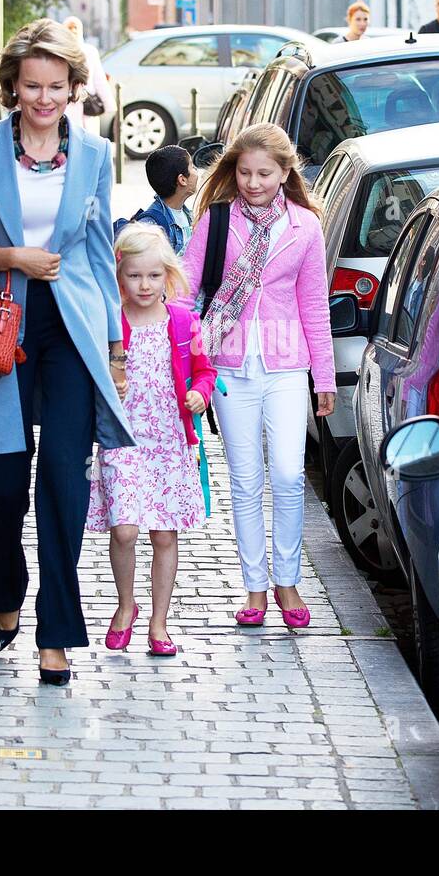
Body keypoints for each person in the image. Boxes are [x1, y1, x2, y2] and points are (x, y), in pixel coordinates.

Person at [0, 17, 135, 686]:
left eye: (56, 86)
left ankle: (57, 633)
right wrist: (8, 255)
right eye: (32, 86)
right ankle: (4, 580)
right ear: (13, 87)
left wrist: (116, 349)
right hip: (2, 328)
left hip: (72, 329)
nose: (44, 99)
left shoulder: (97, 157)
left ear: (74, 88)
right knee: (2, 488)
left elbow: (101, 256)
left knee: (63, 482)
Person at [179, 123, 336, 628]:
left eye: (264, 174)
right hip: (227, 365)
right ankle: (254, 588)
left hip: (288, 365)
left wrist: (326, 378)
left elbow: (315, 304)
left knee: (289, 475)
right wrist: (176, 355)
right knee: (245, 480)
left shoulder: (305, 227)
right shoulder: (215, 221)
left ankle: (287, 580)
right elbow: (184, 290)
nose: (252, 182)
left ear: (285, 173)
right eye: (244, 172)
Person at [86, 224, 217, 656]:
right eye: (134, 276)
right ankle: (127, 605)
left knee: (164, 535)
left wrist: (200, 392)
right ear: (118, 277)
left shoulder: (182, 321)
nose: (145, 285)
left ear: (167, 276)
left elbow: (204, 368)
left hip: (168, 442)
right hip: (122, 440)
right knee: (123, 530)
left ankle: (159, 625)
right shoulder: (110, 323)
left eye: (154, 276)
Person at [119, 144, 198, 254]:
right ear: (182, 180)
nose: (197, 171)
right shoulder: (151, 227)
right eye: (193, 167)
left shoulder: (187, 214)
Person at [62, 15, 115, 130]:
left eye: (75, 27)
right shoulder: (60, 52)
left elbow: (99, 79)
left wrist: (109, 103)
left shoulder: (90, 51)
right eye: (70, 28)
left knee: (89, 138)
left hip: (87, 103)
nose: (73, 31)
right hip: (67, 104)